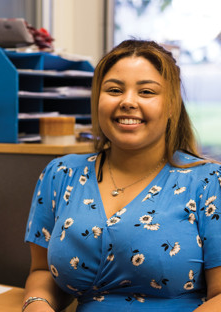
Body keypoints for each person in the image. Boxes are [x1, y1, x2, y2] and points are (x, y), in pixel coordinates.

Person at [22, 39, 221, 312]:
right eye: (114, 90)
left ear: (172, 105)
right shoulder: (60, 174)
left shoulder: (209, 182)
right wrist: (37, 303)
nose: (127, 102)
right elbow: (43, 270)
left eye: (147, 92)